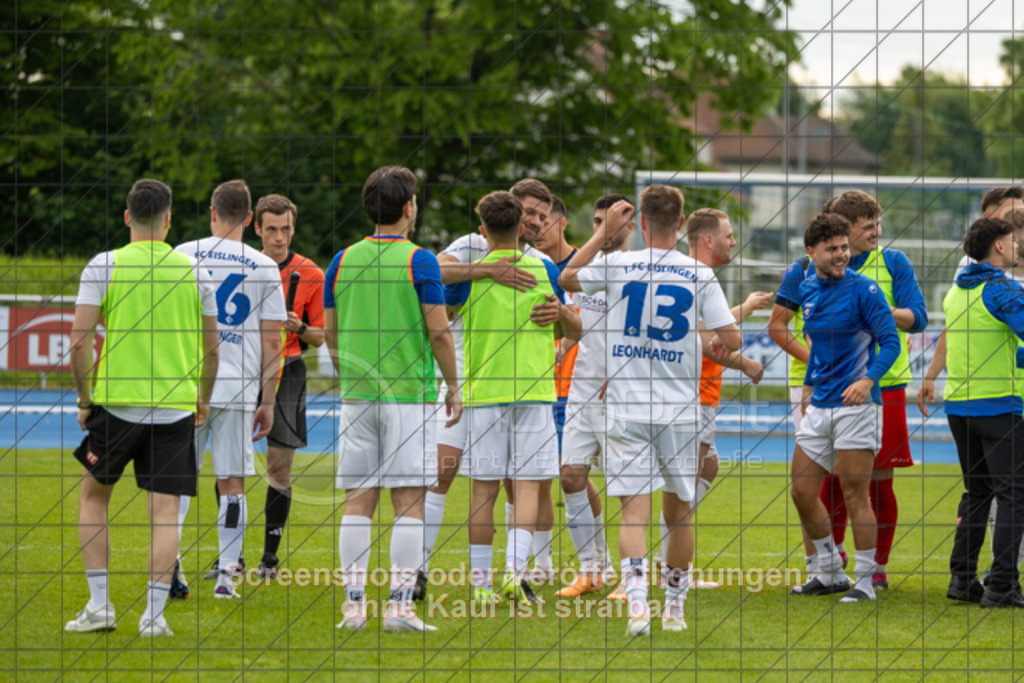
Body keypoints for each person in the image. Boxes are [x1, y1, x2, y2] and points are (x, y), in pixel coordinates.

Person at [562, 186, 742, 636]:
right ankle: (674, 611)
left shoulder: (618, 262)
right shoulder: (699, 273)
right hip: (679, 409)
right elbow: (732, 340)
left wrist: (603, 234)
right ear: (681, 225)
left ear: (640, 223)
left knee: (633, 515)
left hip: (625, 407)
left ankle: (637, 604)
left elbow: (567, 278)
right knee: (680, 512)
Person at [64, 178, 219, 637]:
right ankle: (154, 617)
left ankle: (100, 606)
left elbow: (78, 342)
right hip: (175, 408)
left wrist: (84, 398)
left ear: (128, 216)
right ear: (169, 220)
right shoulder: (194, 271)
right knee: (165, 514)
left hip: (116, 407)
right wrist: (203, 401)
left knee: (94, 498)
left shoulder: (104, 265)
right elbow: (213, 352)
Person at [327, 165, 460, 632]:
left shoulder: (340, 261)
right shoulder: (419, 260)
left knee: (358, 500)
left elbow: (330, 333)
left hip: (359, 396)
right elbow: (439, 332)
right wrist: (455, 386)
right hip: (409, 395)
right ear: (408, 207)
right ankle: (400, 608)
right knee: (408, 502)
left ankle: (354, 607)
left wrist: (352, 376)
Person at [453, 190, 581, 606]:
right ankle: (513, 574)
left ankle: (479, 584)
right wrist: (561, 317)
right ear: (522, 227)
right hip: (535, 390)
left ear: (482, 230)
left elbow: (439, 305)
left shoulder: (469, 275)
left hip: (484, 390)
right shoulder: (544, 268)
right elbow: (573, 332)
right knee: (528, 487)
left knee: (482, 492)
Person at [176, 179, 287, 599]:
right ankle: (226, 576)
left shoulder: (183, 255)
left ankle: (172, 566)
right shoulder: (262, 266)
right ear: (248, 219)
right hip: (239, 388)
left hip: (189, 385)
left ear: (212, 212)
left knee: (179, 480)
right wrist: (269, 400)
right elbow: (273, 340)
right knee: (233, 480)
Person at [813, 190, 928, 592]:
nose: (878, 232)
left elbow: (918, 318)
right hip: (831, 388)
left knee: (879, 482)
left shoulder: (893, 263)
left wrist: (875, 308)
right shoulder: (817, 265)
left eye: (879, 223)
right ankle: (832, 561)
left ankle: (877, 565)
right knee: (830, 480)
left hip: (885, 386)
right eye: (868, 227)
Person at [788, 212, 900, 604]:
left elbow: (891, 343)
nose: (840, 255)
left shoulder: (866, 290)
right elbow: (818, 345)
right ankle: (831, 572)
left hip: (857, 407)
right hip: (820, 405)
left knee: (856, 494)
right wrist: (808, 382)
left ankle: (866, 582)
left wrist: (868, 379)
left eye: (843, 248)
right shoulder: (808, 290)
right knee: (802, 491)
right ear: (811, 252)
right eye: (832, 249)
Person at [921, 217, 1024, 607]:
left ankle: (962, 579)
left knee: (977, 493)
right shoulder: (1001, 290)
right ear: (998, 246)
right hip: (999, 405)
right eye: (1013, 241)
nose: (1016, 247)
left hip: (960, 407)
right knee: (1014, 496)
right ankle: (1001, 586)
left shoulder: (955, 293)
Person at [555, 194, 635, 598]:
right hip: (582, 390)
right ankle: (591, 569)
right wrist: (562, 349)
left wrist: (620, 373)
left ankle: (631, 576)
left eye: (613, 222)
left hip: (622, 392)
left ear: (631, 226)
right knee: (570, 476)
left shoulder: (636, 270)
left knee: (626, 486)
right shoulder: (587, 271)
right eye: (598, 222)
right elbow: (582, 325)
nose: (603, 229)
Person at [252, 194, 325, 579]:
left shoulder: (311, 273)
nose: (279, 237)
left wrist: (300, 328)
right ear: (257, 229)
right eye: (272, 230)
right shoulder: (243, 266)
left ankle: (269, 558)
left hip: (289, 370)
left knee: (279, 468)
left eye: (286, 229)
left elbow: (321, 337)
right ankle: (227, 556)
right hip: (244, 368)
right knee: (230, 463)